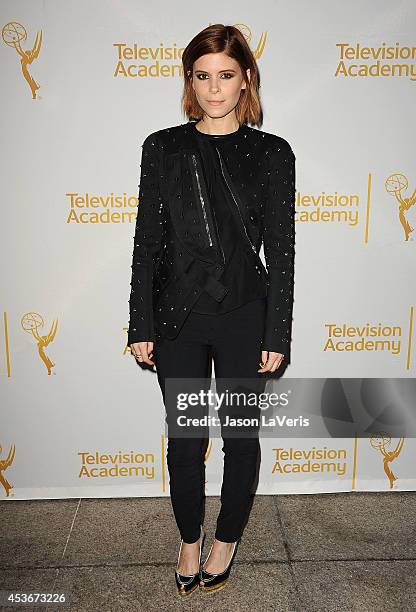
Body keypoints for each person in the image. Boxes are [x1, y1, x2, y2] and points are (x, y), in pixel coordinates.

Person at [127, 23, 296, 596]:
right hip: (178, 315)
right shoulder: (163, 147)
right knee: (185, 438)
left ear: (246, 79)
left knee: (241, 437)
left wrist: (278, 330)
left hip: (246, 314)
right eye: (202, 76)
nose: (214, 89)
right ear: (189, 81)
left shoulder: (271, 153)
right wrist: (140, 322)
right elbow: (147, 240)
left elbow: (282, 250)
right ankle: (189, 538)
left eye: (226, 76)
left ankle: (226, 540)